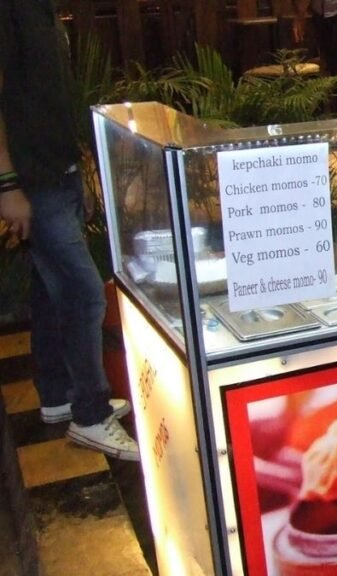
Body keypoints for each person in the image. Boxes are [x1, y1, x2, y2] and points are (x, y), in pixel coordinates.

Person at [0, 0, 139, 461]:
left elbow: (48, 94)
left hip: (57, 169)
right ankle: (91, 413)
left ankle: (58, 394)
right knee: (83, 293)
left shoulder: (41, 11)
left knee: (49, 289)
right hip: (32, 178)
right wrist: (7, 184)